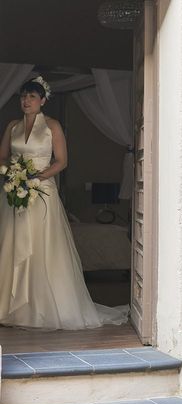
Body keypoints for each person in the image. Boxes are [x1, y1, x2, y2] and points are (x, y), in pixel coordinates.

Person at [0, 76, 127, 329]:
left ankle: (42, 307)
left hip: (42, 193)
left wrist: (36, 177)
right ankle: (11, 308)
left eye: (32, 96)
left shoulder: (51, 125)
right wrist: (12, 174)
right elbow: (3, 156)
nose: (26, 101)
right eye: (24, 96)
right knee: (12, 245)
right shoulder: (13, 126)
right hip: (14, 194)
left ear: (43, 100)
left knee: (42, 248)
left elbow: (61, 161)